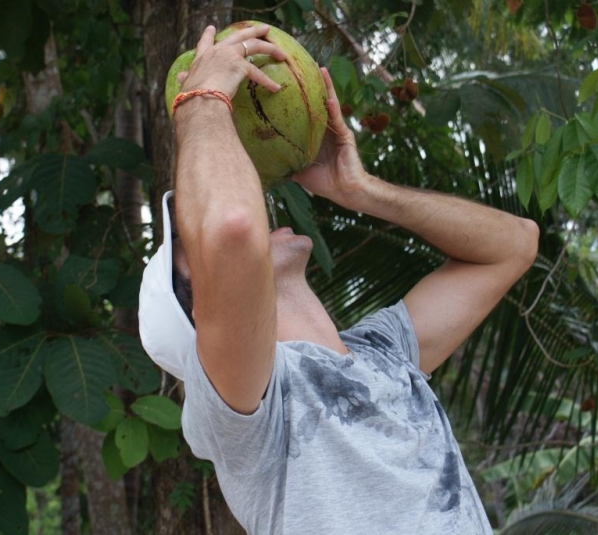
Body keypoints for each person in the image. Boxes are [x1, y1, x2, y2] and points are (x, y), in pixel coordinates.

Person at [139, 23, 539, 535]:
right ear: (199, 306)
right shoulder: (250, 409)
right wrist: (201, 100)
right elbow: (232, 232)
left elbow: (515, 245)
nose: (254, 210)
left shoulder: (385, 354)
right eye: (191, 244)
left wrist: (363, 190)